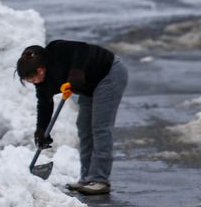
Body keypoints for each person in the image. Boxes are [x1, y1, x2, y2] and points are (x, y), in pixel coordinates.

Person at [16, 40, 128, 195]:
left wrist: (76, 71)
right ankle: (87, 178)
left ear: (40, 68)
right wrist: (41, 130)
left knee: (100, 128)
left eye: (34, 77)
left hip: (108, 74)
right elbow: (44, 104)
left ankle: (100, 180)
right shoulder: (42, 84)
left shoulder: (56, 50)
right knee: (84, 128)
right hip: (89, 86)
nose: (34, 82)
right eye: (30, 81)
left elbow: (82, 49)